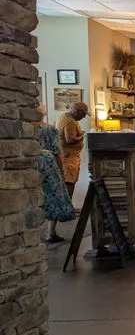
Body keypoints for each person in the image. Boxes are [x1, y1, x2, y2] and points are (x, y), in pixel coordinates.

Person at [37, 102, 75, 243]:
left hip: (32, 164)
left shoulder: (26, 129)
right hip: (48, 163)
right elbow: (57, 152)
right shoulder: (50, 130)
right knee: (53, 194)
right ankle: (51, 232)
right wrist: (61, 170)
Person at [55, 101, 89, 198]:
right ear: (78, 112)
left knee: (68, 182)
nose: (83, 118)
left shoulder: (64, 116)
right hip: (68, 159)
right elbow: (70, 139)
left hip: (67, 157)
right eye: (83, 115)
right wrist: (82, 136)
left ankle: (68, 207)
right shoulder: (70, 121)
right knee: (69, 182)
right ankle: (68, 207)